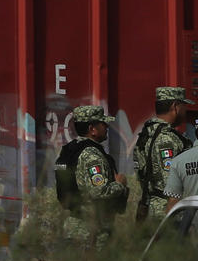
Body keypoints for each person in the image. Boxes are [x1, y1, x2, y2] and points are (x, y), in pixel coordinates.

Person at [54, 107, 126, 246]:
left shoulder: (72, 149)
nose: (106, 127)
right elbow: (98, 191)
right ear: (92, 129)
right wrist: (120, 184)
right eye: (103, 124)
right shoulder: (92, 156)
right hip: (93, 231)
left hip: (74, 226)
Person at [131, 87, 191, 223]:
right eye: (183, 106)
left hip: (151, 206)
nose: (185, 111)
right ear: (175, 106)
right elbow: (169, 183)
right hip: (168, 212)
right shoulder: (166, 140)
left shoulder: (148, 133)